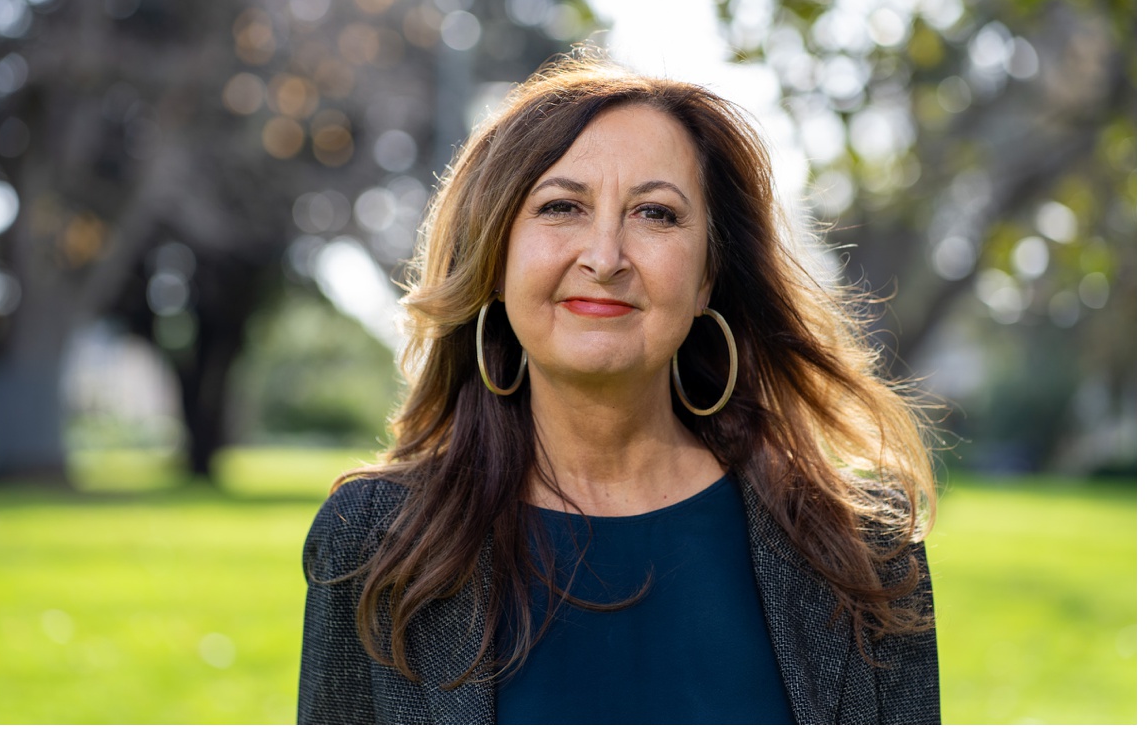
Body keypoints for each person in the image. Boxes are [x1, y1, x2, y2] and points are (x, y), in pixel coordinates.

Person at [297, 55, 939, 725]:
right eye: (561, 207)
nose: (605, 257)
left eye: (656, 214)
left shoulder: (865, 547)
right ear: (494, 259)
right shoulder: (374, 542)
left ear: (706, 278)